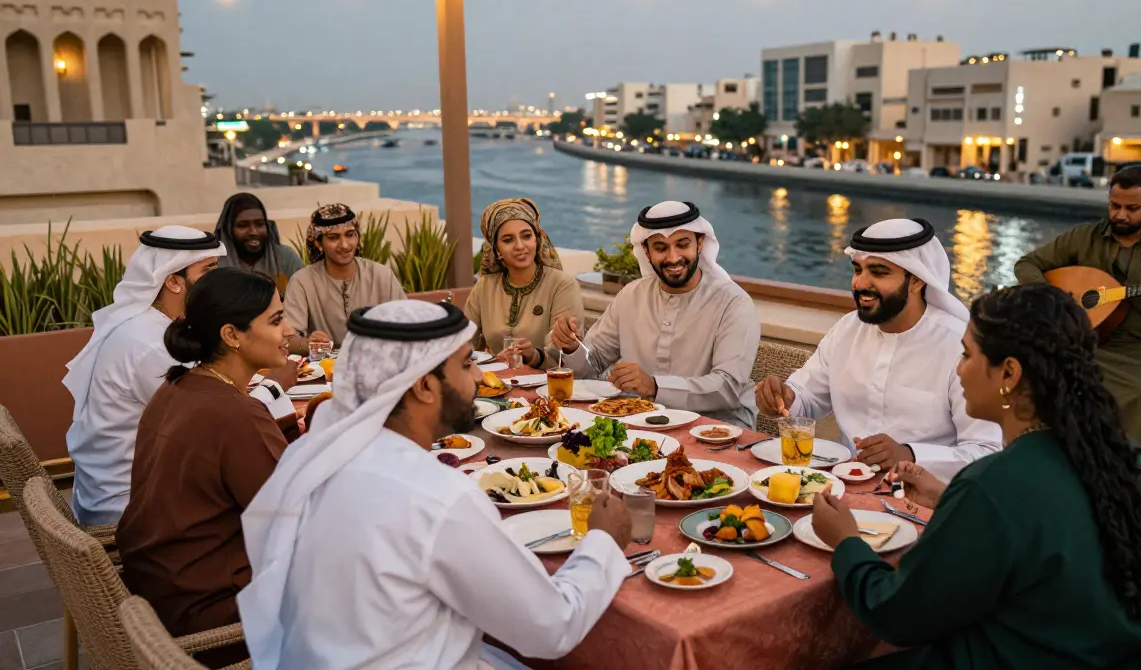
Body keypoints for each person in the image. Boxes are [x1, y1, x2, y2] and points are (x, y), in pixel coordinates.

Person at [237, 300, 632, 669]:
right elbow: (553, 627)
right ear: (424, 386)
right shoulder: (437, 496)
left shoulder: (312, 453)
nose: (479, 376)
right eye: (467, 364)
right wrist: (603, 541)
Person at [811, 284, 1141, 669]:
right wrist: (952, 499)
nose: (958, 368)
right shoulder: (1122, 462)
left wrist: (846, 541)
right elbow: (1044, 532)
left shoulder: (993, 485)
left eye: (967, 354)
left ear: (1009, 373)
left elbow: (897, 614)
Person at [117, 268, 295, 668]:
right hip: (211, 614)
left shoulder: (176, 386)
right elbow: (294, 521)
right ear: (232, 335)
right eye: (276, 320)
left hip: (160, 590)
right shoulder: (236, 414)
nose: (289, 331)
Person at [63, 226, 297, 527]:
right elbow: (214, 422)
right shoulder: (148, 343)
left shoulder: (153, 326)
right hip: (129, 504)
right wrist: (274, 387)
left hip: (147, 483)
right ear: (173, 281)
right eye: (207, 271)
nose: (215, 280)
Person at [754, 219, 1000, 481]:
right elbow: (806, 399)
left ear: (917, 280)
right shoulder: (847, 329)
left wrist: (911, 455)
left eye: (879, 272)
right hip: (844, 485)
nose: (861, 283)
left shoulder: (961, 347)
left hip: (927, 495)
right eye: (857, 270)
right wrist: (783, 398)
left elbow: (988, 453)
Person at [1014, 165, 1141, 449]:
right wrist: (1054, 300)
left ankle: (1122, 464)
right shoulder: (1084, 237)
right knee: (1038, 371)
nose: (1120, 215)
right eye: (1114, 206)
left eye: (1132, 208)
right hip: (1084, 339)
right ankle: (1050, 458)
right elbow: (1027, 264)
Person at [550, 201, 760, 428]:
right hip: (641, 421)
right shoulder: (632, 295)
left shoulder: (733, 303)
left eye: (682, 245)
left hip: (717, 427)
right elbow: (594, 362)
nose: (673, 257)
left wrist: (654, 386)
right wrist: (571, 347)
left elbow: (727, 387)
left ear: (700, 244)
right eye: (661, 248)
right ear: (647, 252)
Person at [465, 198, 584, 369]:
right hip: (497, 382)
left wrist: (534, 356)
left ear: (537, 240)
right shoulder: (485, 287)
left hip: (548, 382)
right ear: (497, 250)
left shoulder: (562, 285)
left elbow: (564, 355)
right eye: (508, 240)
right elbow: (464, 342)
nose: (520, 246)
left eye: (526, 236)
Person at [284, 203, 406, 353]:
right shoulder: (302, 281)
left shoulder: (381, 275)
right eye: (333, 237)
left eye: (349, 234)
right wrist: (309, 344)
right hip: (326, 364)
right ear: (318, 243)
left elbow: (407, 323)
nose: (344, 245)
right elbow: (287, 340)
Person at [214, 192, 304, 294]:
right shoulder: (214, 264)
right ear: (228, 230)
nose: (253, 232)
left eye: (260, 224)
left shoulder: (285, 258)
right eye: (243, 225)